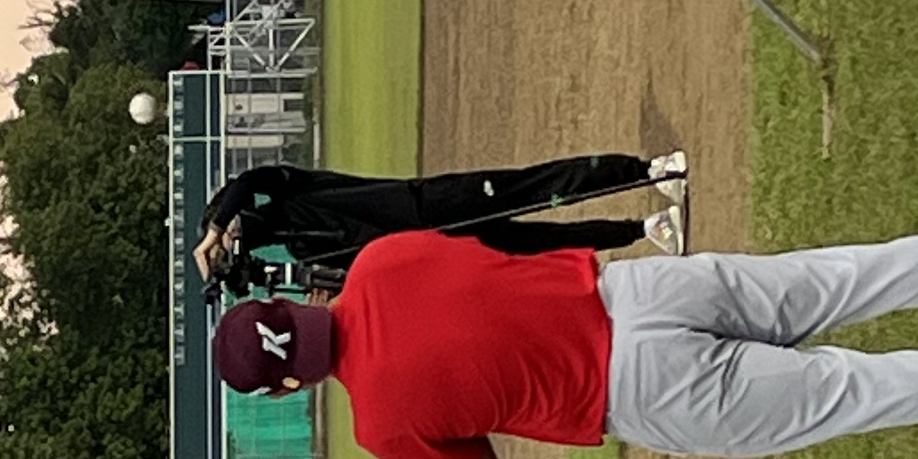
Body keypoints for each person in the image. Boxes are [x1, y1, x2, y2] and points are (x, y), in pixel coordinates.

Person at [206, 225, 918, 459]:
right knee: (857, 277)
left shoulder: (380, 425)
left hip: (630, 388)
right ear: (288, 296)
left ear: (290, 385)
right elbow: (490, 258)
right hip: (633, 290)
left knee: (859, 391)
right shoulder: (380, 259)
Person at [197, 153, 681, 295]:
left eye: (234, 225)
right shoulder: (303, 250)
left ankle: (648, 172)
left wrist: (216, 229)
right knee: (536, 244)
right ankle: (644, 228)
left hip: (427, 203)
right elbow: (363, 272)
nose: (238, 234)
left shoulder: (286, 192)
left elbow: (250, 180)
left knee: (533, 187)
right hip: (431, 248)